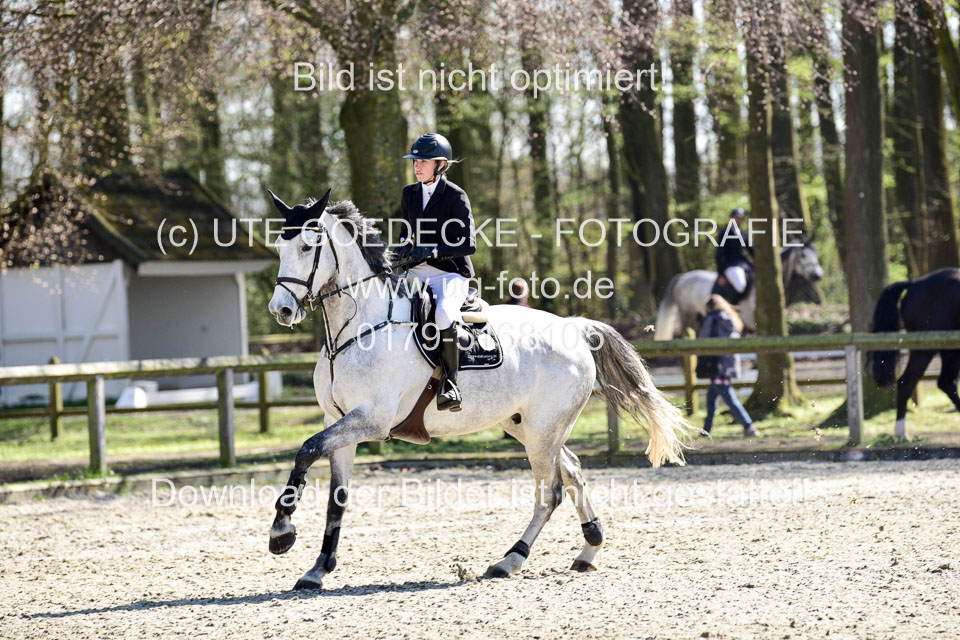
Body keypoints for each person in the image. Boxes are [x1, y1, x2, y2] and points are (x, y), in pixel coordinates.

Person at [395, 133, 476, 412]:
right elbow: (405, 233)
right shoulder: (409, 194)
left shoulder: (455, 195)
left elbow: (468, 244)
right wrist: (400, 251)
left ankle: (450, 383)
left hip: (449, 274)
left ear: (440, 165)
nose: (417, 166)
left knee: (442, 314)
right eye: (415, 161)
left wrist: (432, 251)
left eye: (424, 162)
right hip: (416, 273)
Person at [696, 295, 758, 437]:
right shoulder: (730, 319)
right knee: (711, 398)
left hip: (716, 365)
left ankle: (749, 426)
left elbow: (704, 340)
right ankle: (706, 430)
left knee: (730, 399)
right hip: (726, 364)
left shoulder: (712, 319)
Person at [714, 207, 754, 305]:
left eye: (740, 218)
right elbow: (719, 254)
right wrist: (721, 274)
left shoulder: (744, 234)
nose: (738, 220)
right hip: (731, 265)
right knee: (741, 285)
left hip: (745, 265)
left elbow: (752, 251)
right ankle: (732, 306)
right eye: (736, 218)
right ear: (731, 218)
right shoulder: (724, 234)